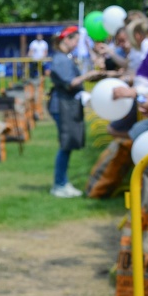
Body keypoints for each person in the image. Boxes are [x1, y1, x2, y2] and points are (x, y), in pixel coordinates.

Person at [48, 25, 100, 197]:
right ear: (67, 40)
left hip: (66, 104)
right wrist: (88, 75)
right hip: (63, 105)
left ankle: (62, 181)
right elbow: (70, 82)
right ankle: (59, 183)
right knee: (65, 145)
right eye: (76, 41)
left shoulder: (64, 57)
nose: (77, 44)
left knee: (67, 145)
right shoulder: (61, 59)